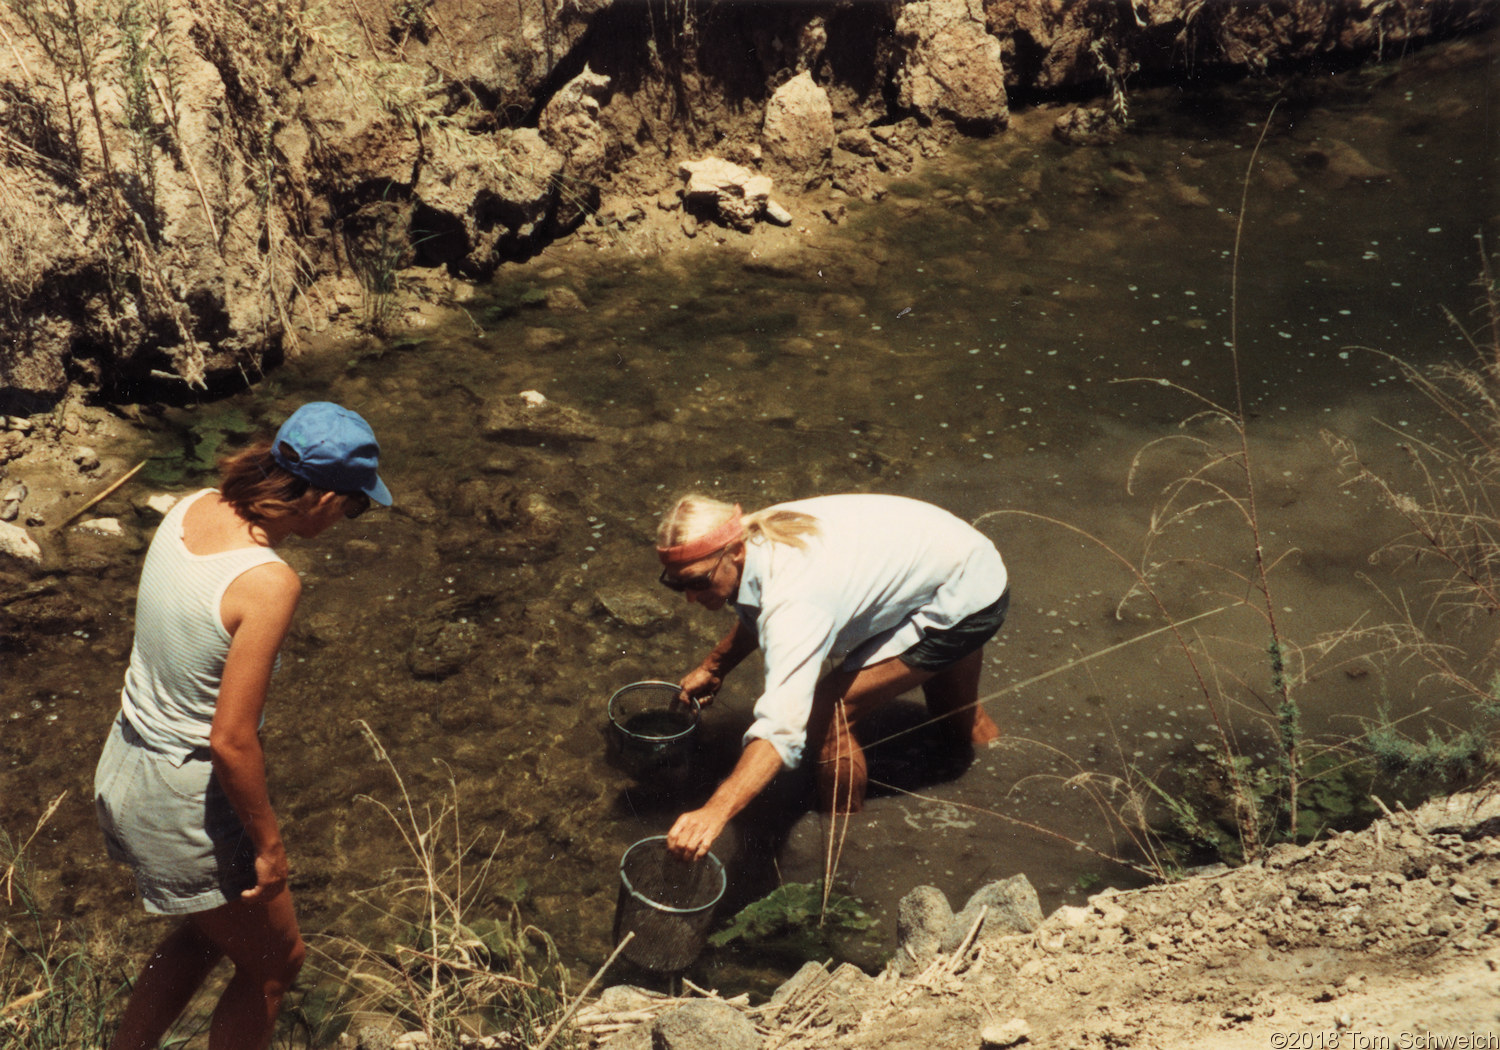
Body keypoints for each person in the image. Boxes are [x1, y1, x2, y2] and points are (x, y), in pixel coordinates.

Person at [94, 402, 392, 1049]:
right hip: (184, 802)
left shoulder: (193, 506)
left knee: (207, 933)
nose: (349, 519)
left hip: (125, 767)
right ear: (322, 498)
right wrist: (270, 845)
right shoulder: (267, 581)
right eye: (356, 505)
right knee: (276, 964)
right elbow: (230, 739)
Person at [655, 492, 1009, 862]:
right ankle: (1000, 769)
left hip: (963, 595)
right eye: (676, 585)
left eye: (697, 582)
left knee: (827, 714)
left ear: (736, 552)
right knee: (956, 717)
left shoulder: (796, 600)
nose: (690, 599)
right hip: (964, 562)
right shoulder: (754, 534)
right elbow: (759, 602)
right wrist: (715, 667)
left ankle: (844, 842)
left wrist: (716, 810)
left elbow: (781, 729)